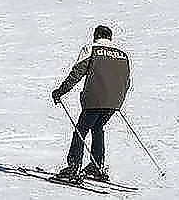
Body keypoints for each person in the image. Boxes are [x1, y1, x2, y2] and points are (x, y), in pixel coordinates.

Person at [51, 25, 131, 183]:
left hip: (95, 99)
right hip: (115, 102)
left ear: (96, 36)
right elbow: (127, 81)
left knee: (80, 131)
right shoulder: (123, 54)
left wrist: (60, 91)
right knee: (97, 128)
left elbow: (77, 73)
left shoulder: (91, 49)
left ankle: (73, 168)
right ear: (110, 37)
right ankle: (96, 166)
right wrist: (117, 98)